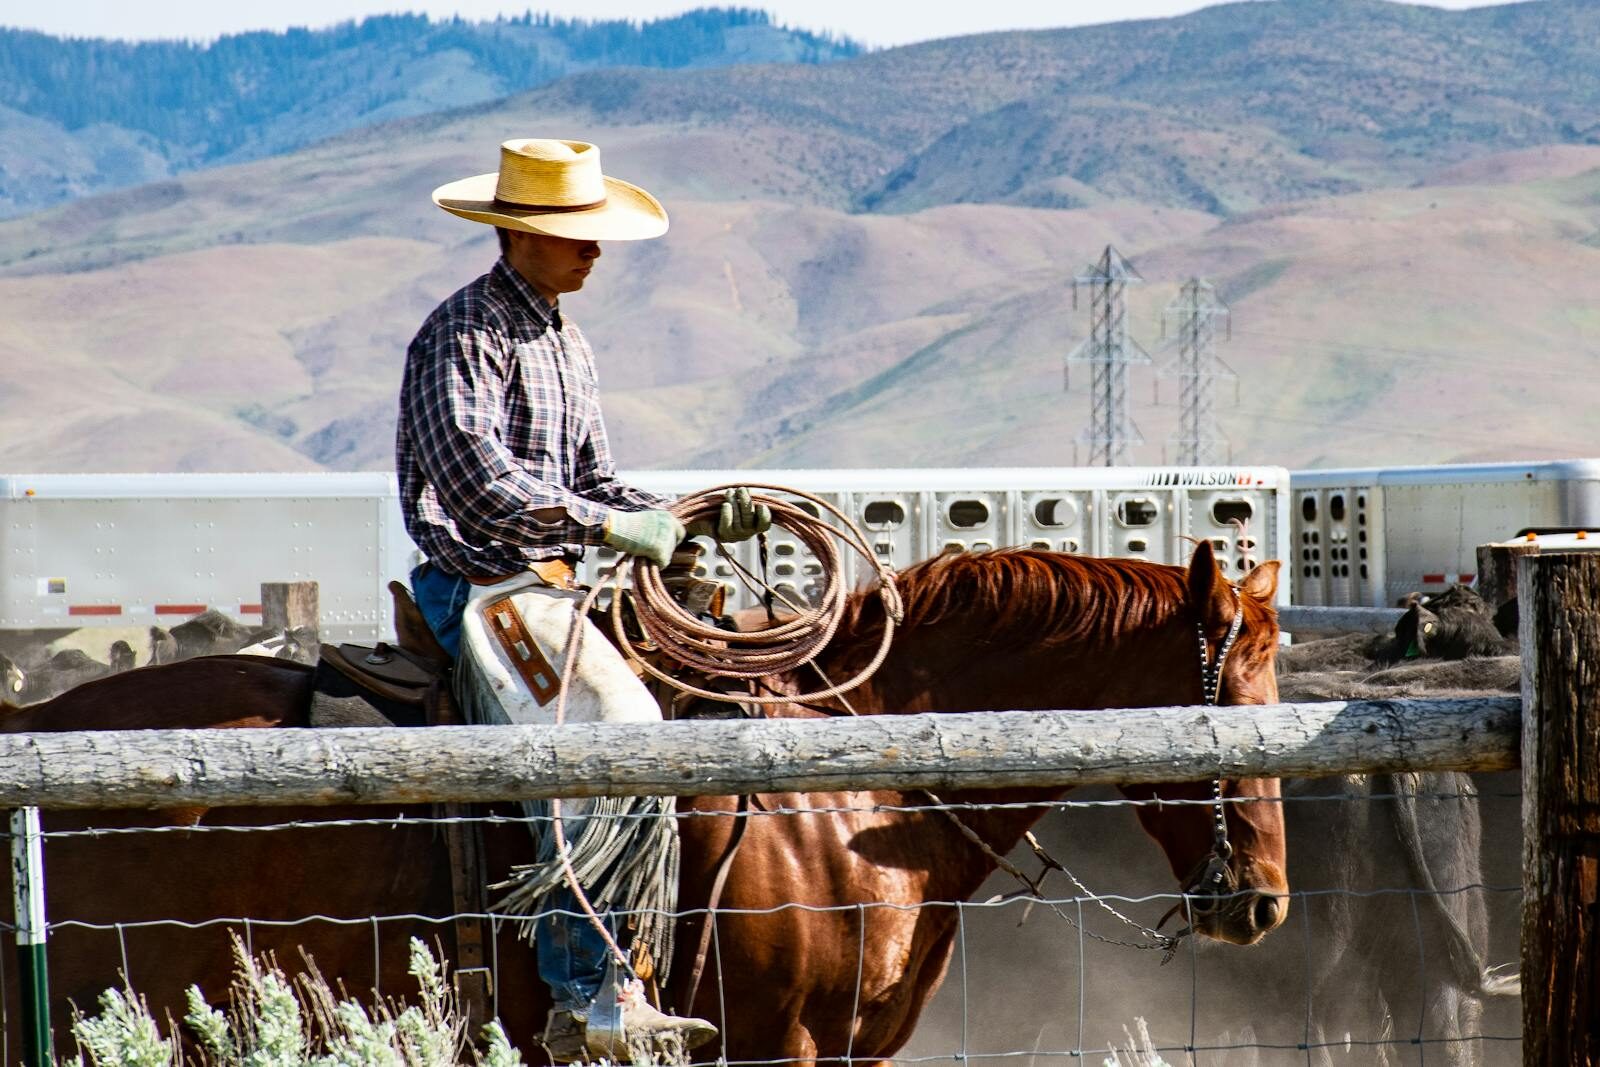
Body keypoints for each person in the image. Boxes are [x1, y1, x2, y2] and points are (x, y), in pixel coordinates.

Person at [396, 137, 768, 1060]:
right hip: (485, 583)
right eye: (574, 234)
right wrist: (605, 530)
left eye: (596, 234)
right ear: (517, 234)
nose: (593, 250)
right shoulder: (464, 331)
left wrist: (682, 514)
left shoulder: (565, 339)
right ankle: (588, 993)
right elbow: (477, 478)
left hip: (558, 579)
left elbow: (595, 476)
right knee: (611, 725)